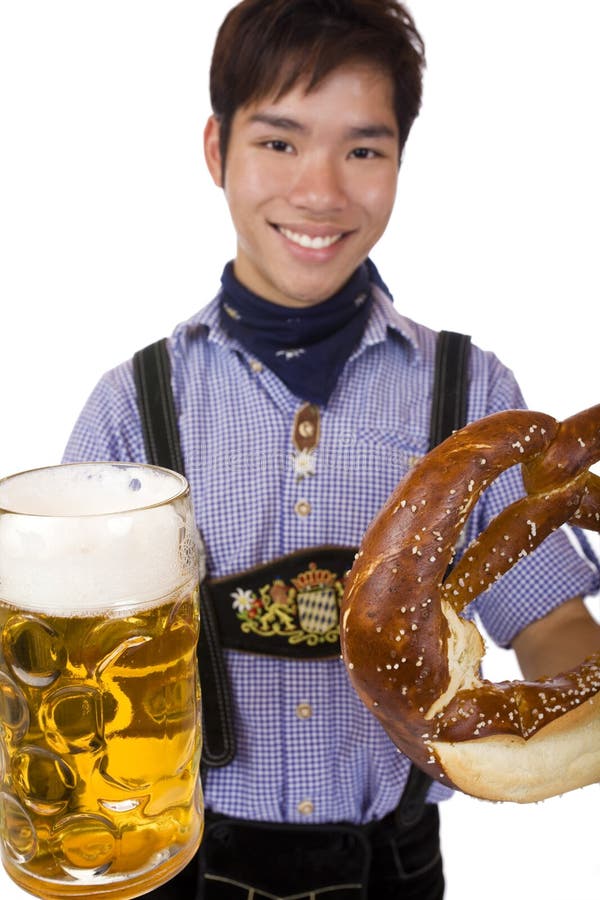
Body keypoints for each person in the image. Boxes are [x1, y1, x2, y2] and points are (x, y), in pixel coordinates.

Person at [63, 1, 600, 897]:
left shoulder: (470, 396)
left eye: (363, 150)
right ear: (215, 149)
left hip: (394, 866)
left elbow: (551, 632)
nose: (320, 192)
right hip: (182, 869)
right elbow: (69, 671)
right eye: (279, 143)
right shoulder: (134, 410)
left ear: (398, 163)